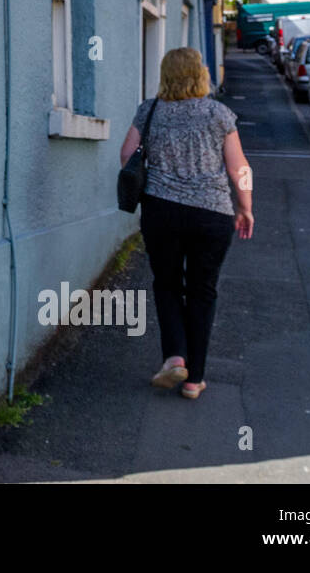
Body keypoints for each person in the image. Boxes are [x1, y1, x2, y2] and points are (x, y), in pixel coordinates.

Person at [119, 48, 253, 400]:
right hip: (211, 214)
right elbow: (239, 168)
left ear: (166, 75)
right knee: (202, 291)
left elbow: (126, 155)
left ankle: (175, 356)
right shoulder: (218, 113)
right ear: (201, 74)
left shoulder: (149, 111)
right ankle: (195, 381)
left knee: (167, 284)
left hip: (161, 212)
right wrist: (245, 207)